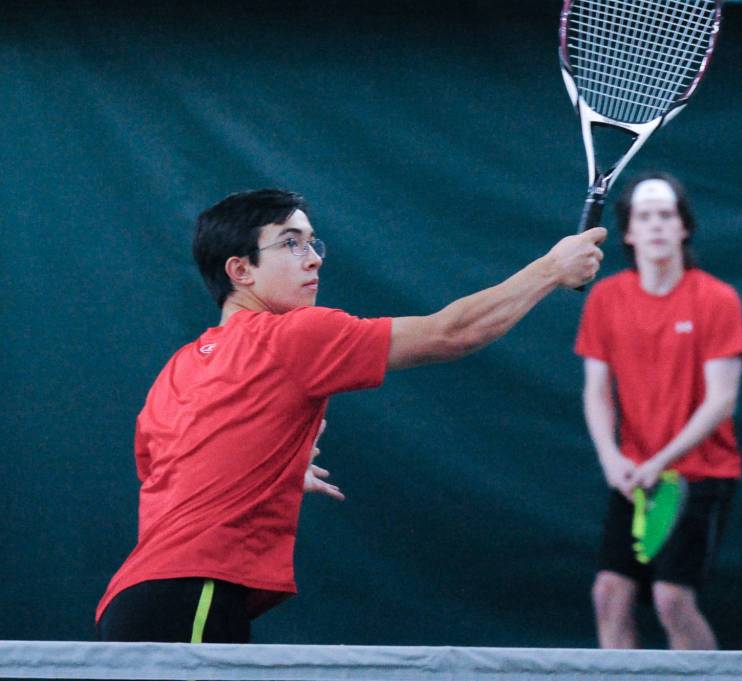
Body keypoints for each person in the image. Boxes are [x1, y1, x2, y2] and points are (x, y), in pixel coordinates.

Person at [96, 188, 605, 643]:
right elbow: (450, 333)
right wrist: (550, 270)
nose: (313, 259)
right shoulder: (292, 336)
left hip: (138, 600)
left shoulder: (179, 368)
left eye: (315, 243)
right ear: (241, 270)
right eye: (291, 243)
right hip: (194, 598)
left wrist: (274, 469)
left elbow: (165, 469)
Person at [574, 172, 742, 650]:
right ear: (628, 232)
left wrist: (658, 461)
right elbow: (596, 391)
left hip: (700, 476)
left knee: (673, 599)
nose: (656, 226)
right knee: (609, 594)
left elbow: (721, 400)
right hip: (634, 478)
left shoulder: (717, 300)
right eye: (644, 217)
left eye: (666, 215)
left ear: (683, 227)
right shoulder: (607, 299)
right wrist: (613, 460)